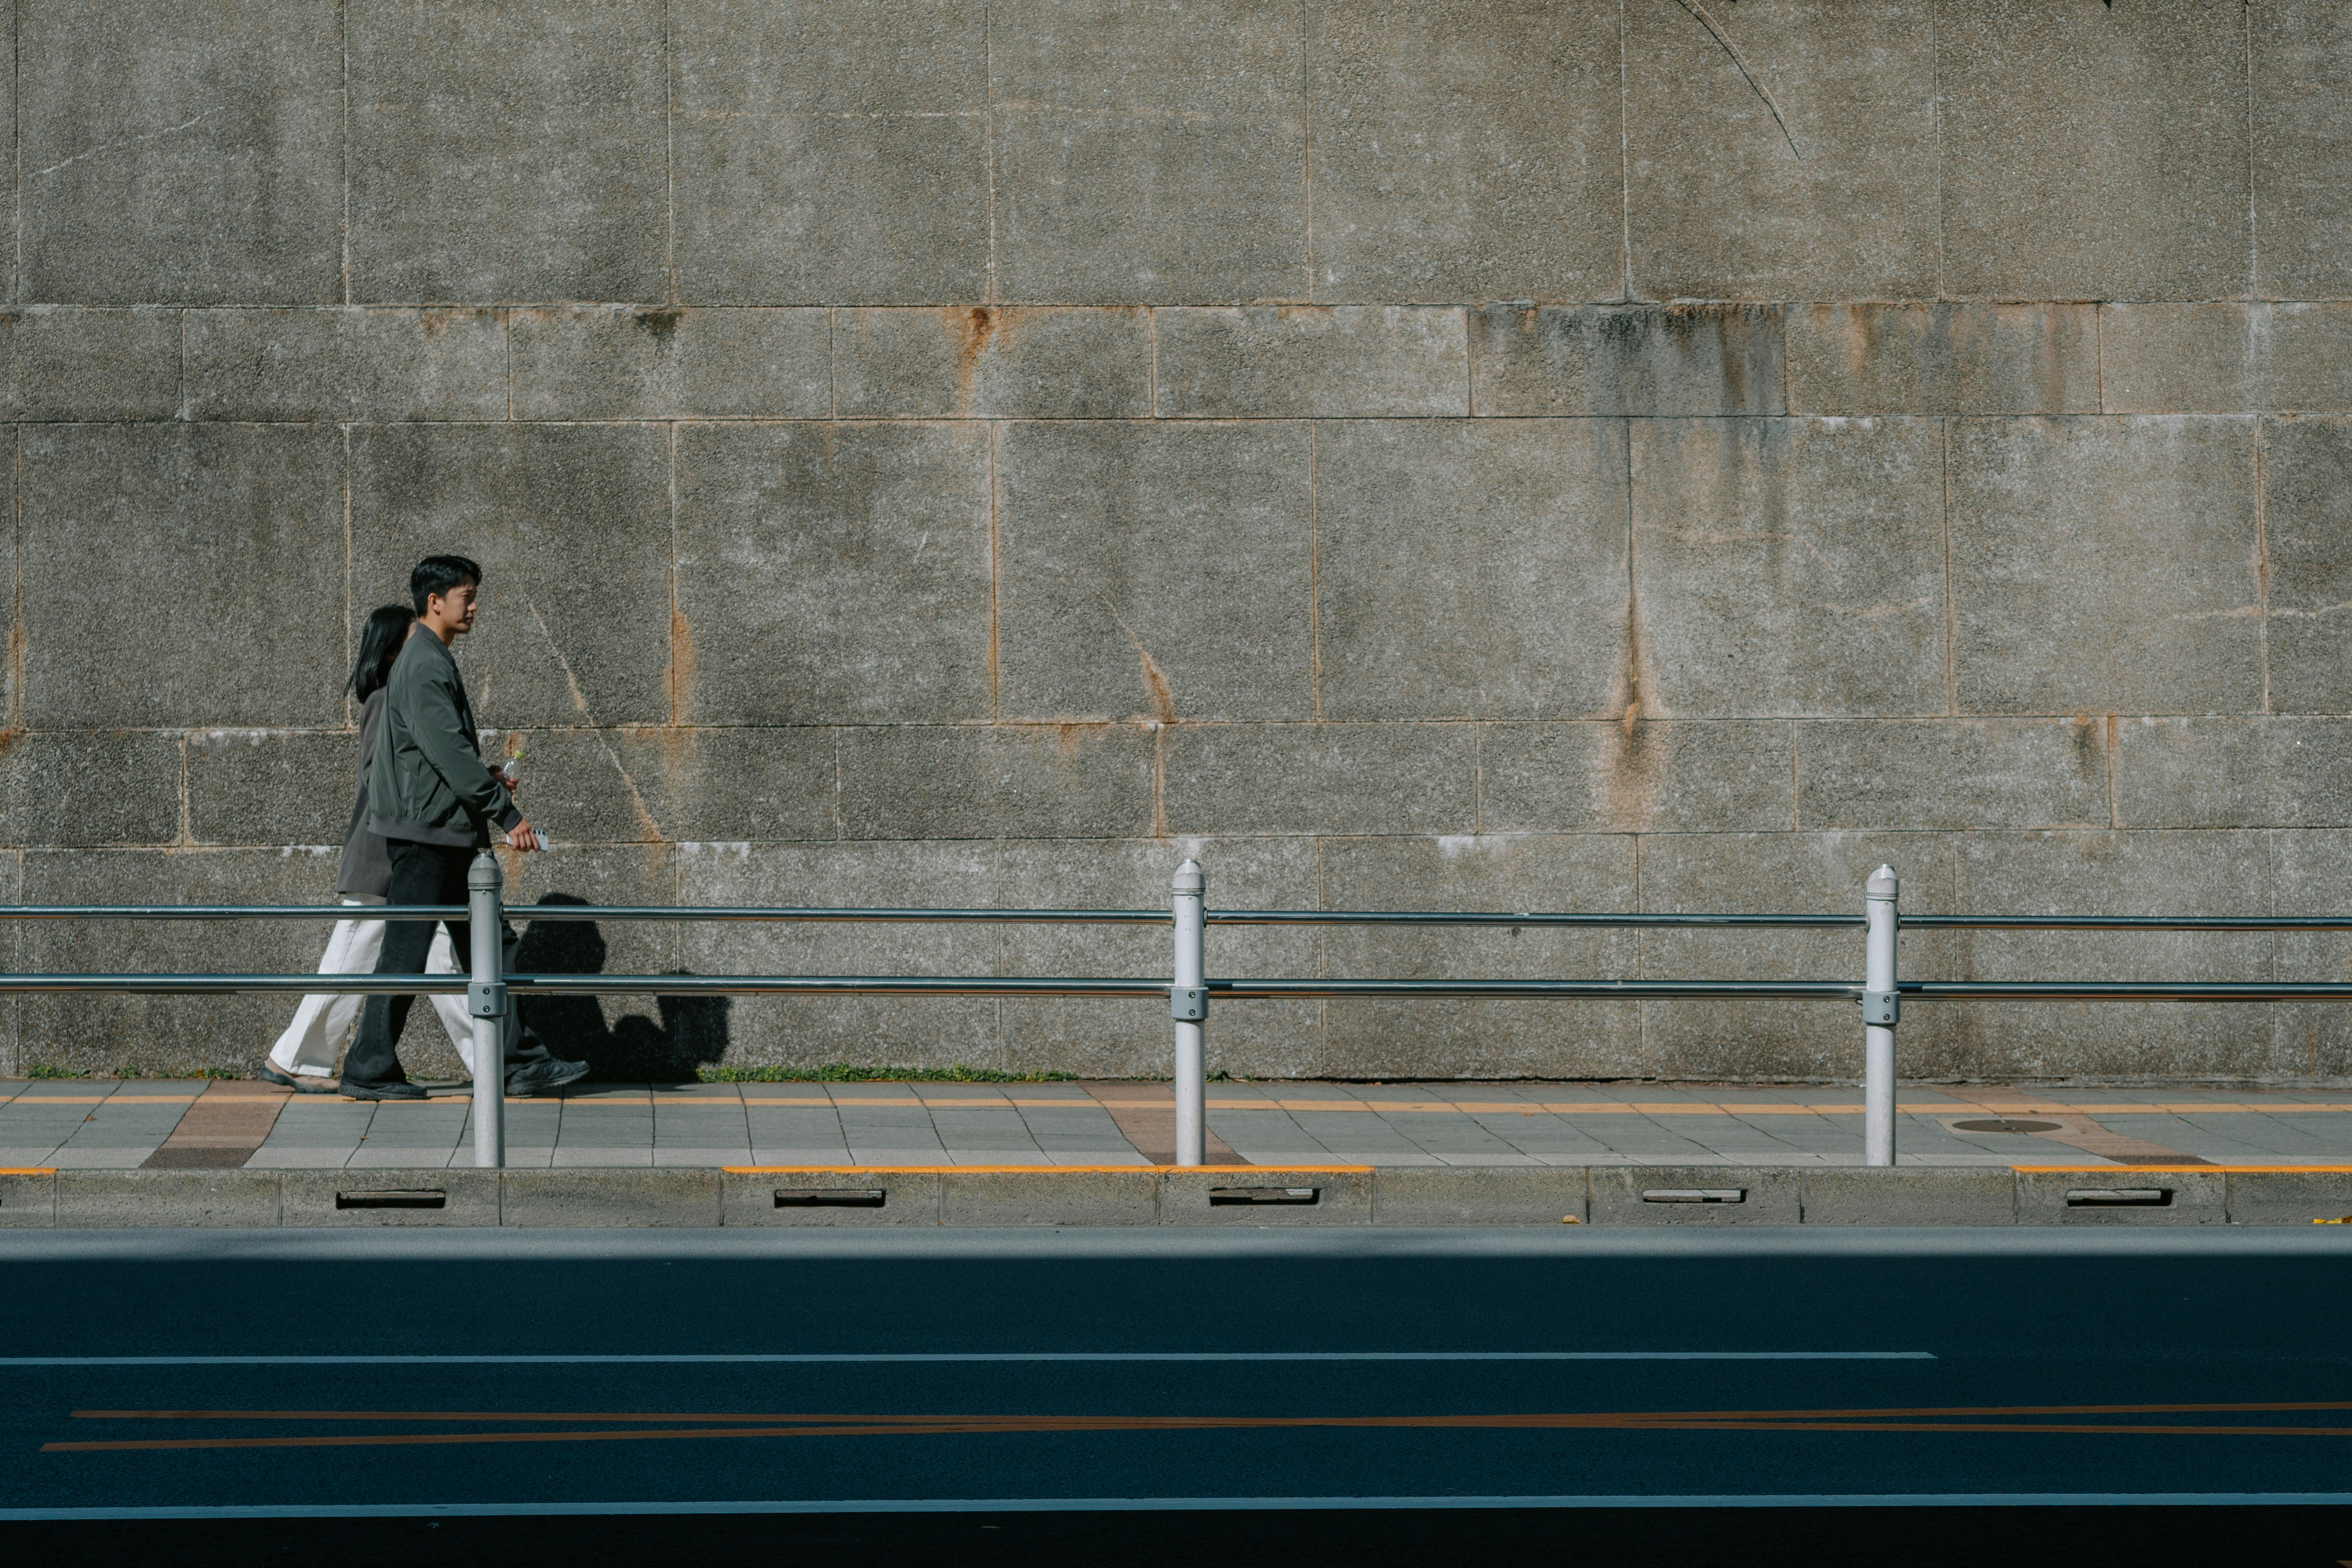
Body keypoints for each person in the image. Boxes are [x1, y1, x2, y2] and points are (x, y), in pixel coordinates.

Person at [337, 555, 588, 1101]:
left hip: (443, 832)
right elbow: (448, 750)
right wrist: (506, 811)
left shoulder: (429, 657)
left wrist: (485, 782)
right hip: (431, 839)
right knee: (409, 954)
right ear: (435, 601)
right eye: (465, 595)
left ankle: (515, 1062)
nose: (473, 606)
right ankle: (369, 1065)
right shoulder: (425, 663)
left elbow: (437, 755)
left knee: (490, 949)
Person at [257, 605, 475, 1091]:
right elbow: (381, 781)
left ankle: (493, 1060)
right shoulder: (385, 700)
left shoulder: (395, 696)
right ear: (395, 649)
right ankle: (293, 1057)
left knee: (437, 960)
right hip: (383, 856)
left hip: (401, 856)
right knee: (357, 958)